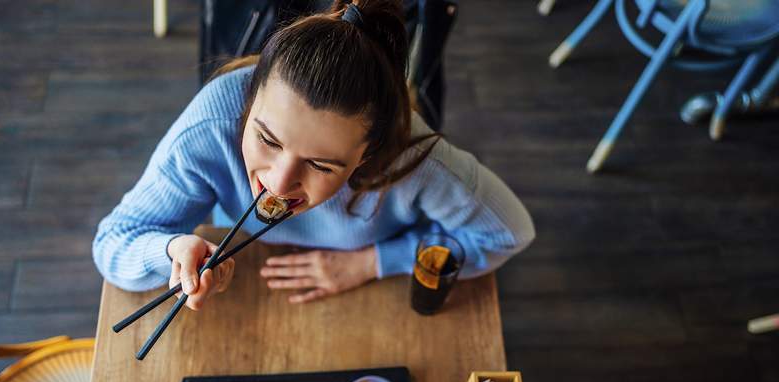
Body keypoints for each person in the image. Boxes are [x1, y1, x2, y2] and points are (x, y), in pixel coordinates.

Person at [92, 0, 535, 310]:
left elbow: (509, 234)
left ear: (367, 155)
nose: (279, 183)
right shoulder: (211, 124)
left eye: (322, 164)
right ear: (249, 104)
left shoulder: (412, 159)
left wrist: (373, 263)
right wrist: (172, 249)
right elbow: (114, 243)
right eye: (267, 139)